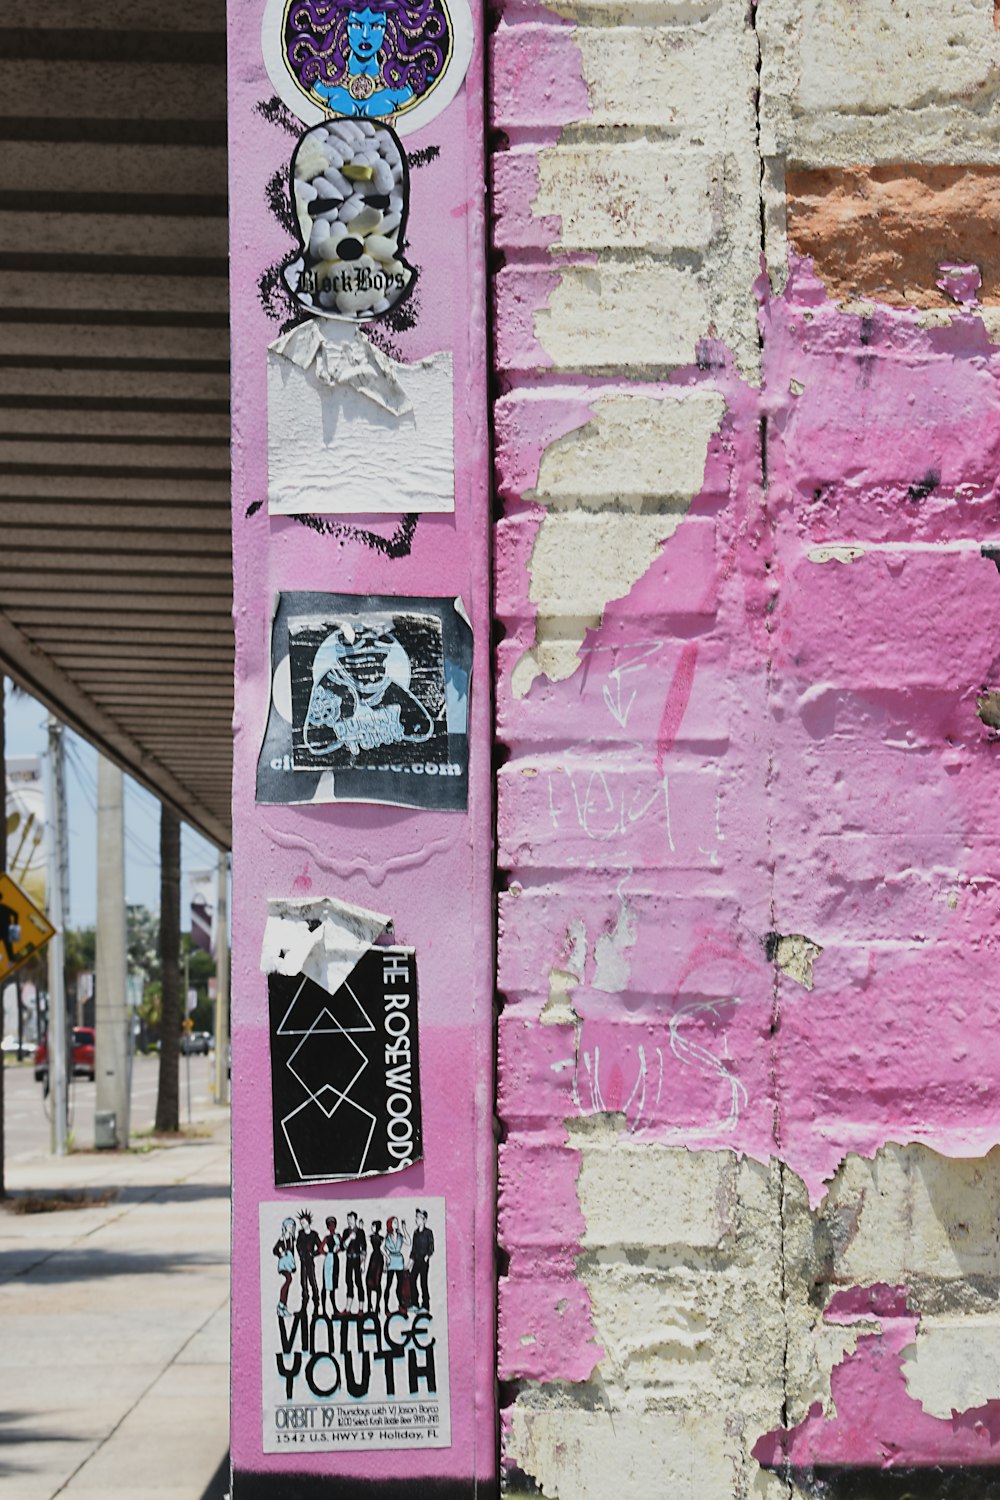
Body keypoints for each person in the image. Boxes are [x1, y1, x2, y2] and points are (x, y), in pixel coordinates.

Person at [295, 1209, 323, 1314]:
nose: (302, 1224)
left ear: (308, 1222)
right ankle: (304, 1307)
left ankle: (316, 1305)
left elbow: (320, 1247)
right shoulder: (300, 1233)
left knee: (312, 1282)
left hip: (310, 1261)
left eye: (303, 1222)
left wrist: (313, 1254)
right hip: (303, 1261)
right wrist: (301, 1254)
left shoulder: (314, 1235)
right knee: (303, 1283)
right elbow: (297, 1245)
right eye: (301, 1223)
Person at [409, 1206, 434, 1311]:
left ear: (424, 1219)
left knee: (423, 1282)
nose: (417, 1219)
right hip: (416, 1260)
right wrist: (410, 1262)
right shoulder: (415, 1233)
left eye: (419, 1217)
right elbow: (413, 1248)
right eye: (416, 1217)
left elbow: (431, 1247)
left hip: (424, 1261)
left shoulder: (428, 1232)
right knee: (412, 1279)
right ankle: (415, 1303)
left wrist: (427, 1256)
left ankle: (425, 1305)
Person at [383, 1214, 410, 1311]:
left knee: (400, 1285)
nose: (397, 1223)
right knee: (388, 1285)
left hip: (399, 1261)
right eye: (395, 1222)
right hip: (391, 1261)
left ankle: (401, 1305)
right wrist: (387, 1258)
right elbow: (382, 1248)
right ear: (390, 1224)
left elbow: (408, 1242)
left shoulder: (400, 1236)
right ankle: (386, 1307)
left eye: (397, 1222)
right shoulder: (387, 1237)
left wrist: (404, 1228)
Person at [342, 1211, 367, 1311]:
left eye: (351, 1219)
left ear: (355, 1220)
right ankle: (348, 1308)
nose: (349, 1221)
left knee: (358, 1282)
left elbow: (364, 1249)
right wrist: (349, 1238)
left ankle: (361, 1308)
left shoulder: (360, 1232)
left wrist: (363, 1263)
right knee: (348, 1281)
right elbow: (343, 1247)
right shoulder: (345, 1232)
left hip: (357, 1259)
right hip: (349, 1259)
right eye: (348, 1219)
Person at [273, 1216, 297, 1318]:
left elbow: (293, 1252)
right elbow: (275, 1250)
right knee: (288, 1280)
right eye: (289, 1226)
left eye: (292, 1226)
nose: (290, 1228)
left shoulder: (292, 1238)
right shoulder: (282, 1238)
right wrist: (280, 1253)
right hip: (284, 1262)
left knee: (289, 1281)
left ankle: (284, 1306)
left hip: (289, 1262)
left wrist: (293, 1265)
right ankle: (281, 1304)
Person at [321, 1216, 342, 1316]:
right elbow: (321, 1249)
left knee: (333, 1284)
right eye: (330, 1225)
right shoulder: (327, 1238)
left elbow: (343, 1246)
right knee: (326, 1284)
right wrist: (328, 1254)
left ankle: (334, 1308)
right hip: (329, 1260)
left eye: (333, 1225)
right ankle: (324, 1309)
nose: (332, 1227)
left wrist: (337, 1251)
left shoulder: (338, 1236)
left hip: (335, 1260)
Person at [366, 1218, 384, 1315]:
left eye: (373, 1226)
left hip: (378, 1258)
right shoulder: (372, 1237)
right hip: (374, 1258)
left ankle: (376, 1305)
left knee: (377, 1281)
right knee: (369, 1280)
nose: (372, 1228)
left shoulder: (380, 1238)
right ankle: (370, 1304)